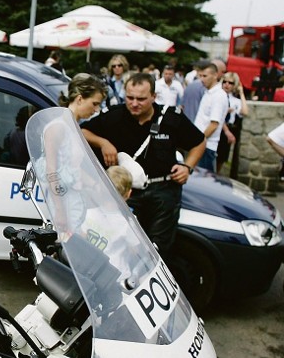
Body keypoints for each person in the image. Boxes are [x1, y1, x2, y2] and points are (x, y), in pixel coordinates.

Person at [81, 73, 205, 256]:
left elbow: (199, 142)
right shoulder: (115, 116)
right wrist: (103, 143)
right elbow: (82, 132)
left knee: (158, 248)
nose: (134, 103)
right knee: (121, 245)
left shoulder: (171, 118)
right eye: (130, 98)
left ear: (154, 97)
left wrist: (187, 167)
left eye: (141, 99)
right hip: (127, 193)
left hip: (163, 191)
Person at [193, 63, 228, 172]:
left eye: (205, 76)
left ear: (215, 75)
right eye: (200, 76)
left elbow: (214, 125)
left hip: (206, 147)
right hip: (201, 145)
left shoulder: (218, 96)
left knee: (203, 183)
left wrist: (198, 140)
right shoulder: (208, 93)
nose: (202, 79)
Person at [216, 72, 249, 172]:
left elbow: (244, 112)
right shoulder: (218, 96)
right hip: (219, 128)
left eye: (230, 83)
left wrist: (241, 93)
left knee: (222, 159)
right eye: (224, 82)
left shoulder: (235, 100)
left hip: (229, 129)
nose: (226, 84)